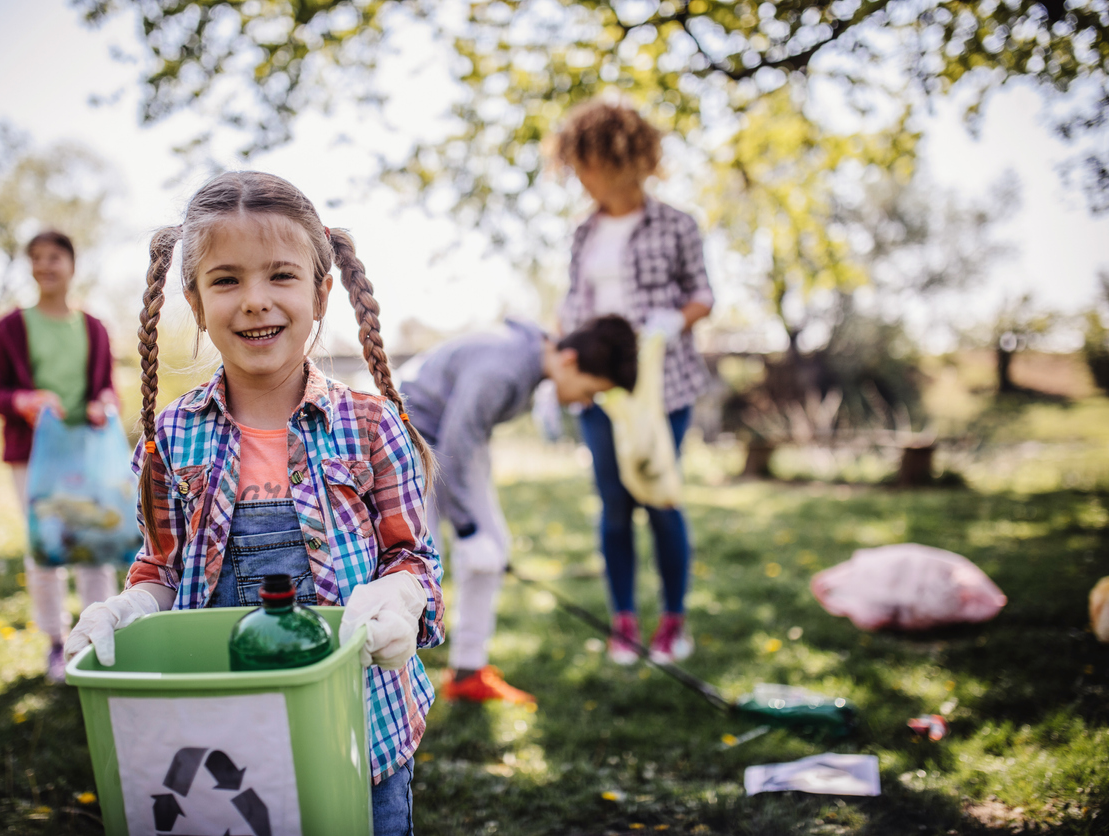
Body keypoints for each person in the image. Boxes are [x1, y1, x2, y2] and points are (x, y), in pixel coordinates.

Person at [61, 172, 443, 836]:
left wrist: (402, 599)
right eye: (227, 279)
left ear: (322, 292)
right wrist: (129, 609)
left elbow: (415, 561)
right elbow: (162, 570)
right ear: (195, 300)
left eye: (281, 276)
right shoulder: (171, 437)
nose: (255, 302)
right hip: (215, 745)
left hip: (361, 738)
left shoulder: (371, 426)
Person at [549, 99, 715, 666]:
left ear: (621, 160)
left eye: (588, 164)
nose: (581, 177)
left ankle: (673, 622)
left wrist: (675, 320)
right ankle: (624, 622)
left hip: (663, 388)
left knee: (661, 500)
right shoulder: (583, 233)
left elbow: (702, 294)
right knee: (613, 506)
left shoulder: (676, 225)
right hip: (601, 390)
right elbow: (571, 305)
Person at [401, 316, 638, 703]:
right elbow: (452, 447)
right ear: (570, 360)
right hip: (410, 440)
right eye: (590, 391)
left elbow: (465, 441)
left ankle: (467, 673)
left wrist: (477, 533)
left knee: (493, 549)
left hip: (452, 442)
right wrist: (465, 529)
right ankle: (391, 685)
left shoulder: (537, 355)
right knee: (417, 567)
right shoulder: (504, 369)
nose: (584, 402)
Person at [0, 230, 120, 684]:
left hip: (87, 451)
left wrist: (104, 402)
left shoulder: (94, 327)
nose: (45, 265)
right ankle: (57, 644)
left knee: (94, 546)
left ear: (72, 264)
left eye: (54, 257)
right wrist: (23, 399)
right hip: (35, 456)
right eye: (36, 258)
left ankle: (101, 635)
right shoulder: (10, 328)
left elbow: (105, 388)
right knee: (47, 549)